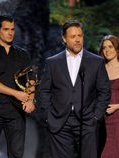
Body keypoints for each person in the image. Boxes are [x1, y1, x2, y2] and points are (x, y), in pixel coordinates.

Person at [38, 20, 110, 158]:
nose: (77, 40)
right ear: (64, 39)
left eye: (80, 36)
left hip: (88, 121)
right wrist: (48, 116)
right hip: (59, 122)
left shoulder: (96, 61)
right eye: (73, 36)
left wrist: (96, 116)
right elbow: (44, 90)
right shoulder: (53, 62)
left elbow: (104, 91)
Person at [0, 15, 36, 158]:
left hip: (16, 112)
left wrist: (31, 99)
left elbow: (30, 81)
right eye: (6, 29)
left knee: (17, 154)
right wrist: (15, 93)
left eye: (12, 29)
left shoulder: (23, 55)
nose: (10, 33)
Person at [99, 35, 119, 158]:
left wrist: (117, 106)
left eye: (110, 46)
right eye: (104, 48)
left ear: (117, 49)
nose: (107, 50)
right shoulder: (100, 69)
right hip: (102, 119)